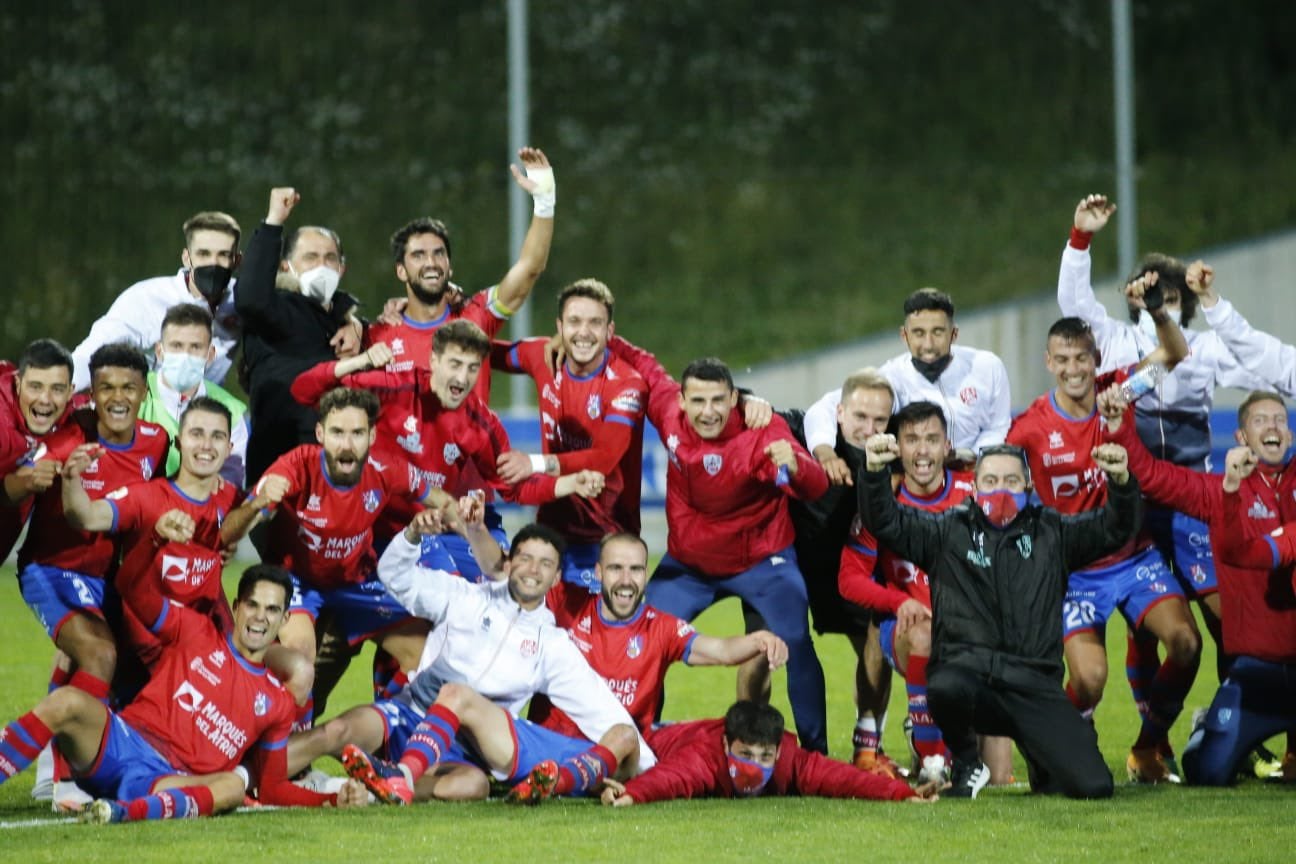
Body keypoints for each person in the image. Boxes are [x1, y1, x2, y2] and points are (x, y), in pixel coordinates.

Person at [1061, 196, 1284, 726]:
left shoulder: (1203, 349)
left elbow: (1258, 363)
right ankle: (1152, 741)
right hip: (1128, 498)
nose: (1163, 295)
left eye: (1171, 289)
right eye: (1151, 288)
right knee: (1145, 624)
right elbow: (1073, 301)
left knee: (1228, 619)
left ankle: (1242, 721)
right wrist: (1080, 238)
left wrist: (1219, 307)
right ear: (1134, 294)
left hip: (1191, 500)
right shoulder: (1112, 341)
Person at [859, 435, 1141, 799]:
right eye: (990, 481)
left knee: (1093, 786)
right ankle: (965, 762)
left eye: (1011, 481)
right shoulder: (946, 531)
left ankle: (1043, 759)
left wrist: (1121, 483)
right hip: (971, 681)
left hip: (1034, 687)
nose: (1000, 490)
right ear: (974, 487)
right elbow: (886, 522)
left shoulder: (1054, 532)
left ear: (1029, 485)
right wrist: (873, 472)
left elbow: (1114, 529)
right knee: (943, 684)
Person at [0, 562, 368, 823]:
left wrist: (331, 799)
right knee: (68, 702)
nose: (260, 617)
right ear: (236, 608)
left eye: (273, 610)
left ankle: (123, 813)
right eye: (253, 605)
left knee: (229, 788)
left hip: (170, 780)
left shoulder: (277, 702)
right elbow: (133, 587)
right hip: (121, 743)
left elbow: (271, 789)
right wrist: (156, 539)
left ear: (285, 620)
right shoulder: (194, 631)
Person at [608, 337, 831, 753]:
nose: (707, 411)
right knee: (636, 635)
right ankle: (637, 748)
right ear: (683, 399)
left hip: (763, 562)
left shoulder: (762, 431)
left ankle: (816, 755)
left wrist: (797, 466)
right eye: (698, 401)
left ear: (734, 399)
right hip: (689, 567)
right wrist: (606, 336)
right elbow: (646, 362)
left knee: (796, 640)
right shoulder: (667, 409)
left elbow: (814, 486)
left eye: (717, 400)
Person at [335, 516, 654, 805]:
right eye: (526, 559)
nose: (533, 570)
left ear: (557, 577)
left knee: (624, 736)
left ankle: (559, 782)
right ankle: (393, 776)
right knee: (454, 699)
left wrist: (654, 776)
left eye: (544, 564)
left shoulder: (551, 642)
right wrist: (413, 534)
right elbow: (396, 576)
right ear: (511, 564)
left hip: (492, 744)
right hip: (439, 721)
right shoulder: (469, 597)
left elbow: (597, 703)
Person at [1006, 314, 1200, 783]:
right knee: (1089, 682)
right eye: (1064, 360)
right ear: (1049, 362)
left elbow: (1174, 352)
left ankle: (1147, 747)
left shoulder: (1122, 391)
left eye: (1083, 358)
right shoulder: (1030, 428)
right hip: (1075, 572)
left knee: (1186, 644)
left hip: (1134, 557)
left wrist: (1156, 312)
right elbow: (999, 482)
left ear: (1096, 359)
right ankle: (1054, 743)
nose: (1075, 369)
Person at [291, 319, 596, 578]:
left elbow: (514, 489)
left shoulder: (480, 423)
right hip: (372, 534)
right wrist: (358, 362)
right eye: (455, 364)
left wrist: (569, 482)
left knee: (503, 582)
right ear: (434, 361)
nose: (462, 378)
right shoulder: (390, 388)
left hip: (434, 531)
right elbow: (303, 391)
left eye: (472, 368)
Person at [220, 386, 453, 723]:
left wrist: (467, 518)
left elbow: (439, 499)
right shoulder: (296, 465)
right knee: (300, 658)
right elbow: (233, 529)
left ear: (372, 434)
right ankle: (286, 749)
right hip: (297, 579)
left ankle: (395, 740)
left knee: (425, 659)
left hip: (357, 580)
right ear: (320, 434)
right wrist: (257, 503)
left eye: (357, 433)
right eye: (337, 432)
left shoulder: (386, 468)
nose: (347, 444)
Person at [1100, 388, 1296, 783]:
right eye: (1260, 420)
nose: (1272, 426)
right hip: (1254, 673)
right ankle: (1209, 727)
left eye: (1279, 419)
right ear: (1242, 437)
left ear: (1289, 433)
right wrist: (1120, 428)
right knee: (1207, 772)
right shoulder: (1216, 489)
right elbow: (1153, 477)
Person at [528, 532, 790, 739]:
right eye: (616, 568)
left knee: (706, 738)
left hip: (619, 748)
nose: (626, 579)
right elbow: (508, 575)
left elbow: (721, 650)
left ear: (646, 574)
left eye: (636, 570)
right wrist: (484, 530)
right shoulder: (567, 602)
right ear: (598, 573)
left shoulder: (661, 627)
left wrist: (761, 640)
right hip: (553, 740)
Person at [839, 401, 977, 784]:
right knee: (922, 633)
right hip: (910, 630)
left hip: (970, 631)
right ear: (897, 448)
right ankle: (931, 756)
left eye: (932, 440)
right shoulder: (882, 500)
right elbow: (849, 580)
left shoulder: (975, 491)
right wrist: (900, 601)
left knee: (996, 774)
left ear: (947, 446)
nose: (922, 451)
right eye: (912, 440)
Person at [774, 368, 899, 775]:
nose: (869, 428)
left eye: (879, 420)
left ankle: (868, 745)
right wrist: (751, 403)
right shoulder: (804, 432)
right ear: (839, 411)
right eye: (860, 417)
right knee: (760, 651)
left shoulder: (893, 450)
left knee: (877, 638)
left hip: (852, 566)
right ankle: (752, 744)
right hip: (793, 561)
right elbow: (753, 413)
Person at [367, 147, 555, 404]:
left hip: (474, 446)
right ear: (401, 270)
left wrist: (544, 202)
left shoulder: (476, 315)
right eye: (419, 255)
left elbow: (530, 268)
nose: (431, 263)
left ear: (450, 266)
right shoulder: (378, 335)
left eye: (439, 253)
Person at [492, 278, 648, 588]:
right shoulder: (541, 355)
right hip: (551, 536)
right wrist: (444, 310)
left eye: (595, 323)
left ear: (610, 331)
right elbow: (480, 350)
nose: (584, 332)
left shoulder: (626, 385)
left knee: (604, 636)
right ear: (559, 327)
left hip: (608, 540)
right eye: (575, 321)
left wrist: (533, 464)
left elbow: (602, 459)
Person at [802, 287, 1012, 474]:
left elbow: (998, 425)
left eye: (937, 332)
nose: (928, 344)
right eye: (918, 333)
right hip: (917, 485)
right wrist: (826, 453)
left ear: (954, 334)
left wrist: (973, 457)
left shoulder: (987, 367)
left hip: (978, 475)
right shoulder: (891, 377)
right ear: (904, 335)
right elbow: (826, 407)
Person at [236, 187, 364, 485]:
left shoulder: (346, 322)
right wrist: (273, 222)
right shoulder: (274, 310)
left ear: (342, 268)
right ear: (286, 266)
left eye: (330, 258)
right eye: (310, 257)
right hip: (279, 475)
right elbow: (251, 297)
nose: (322, 265)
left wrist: (356, 325)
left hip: (339, 477)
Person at [598, 701, 930, 805]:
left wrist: (904, 793)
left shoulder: (791, 760)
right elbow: (669, 778)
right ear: (727, 746)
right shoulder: (703, 757)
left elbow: (843, 778)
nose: (754, 767)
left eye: (764, 757)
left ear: (778, 751)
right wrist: (632, 795)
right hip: (658, 738)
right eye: (745, 754)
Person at [70, 211, 244, 392]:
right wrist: (59, 391)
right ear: (187, 258)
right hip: (152, 407)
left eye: (223, 255)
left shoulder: (242, 300)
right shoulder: (147, 298)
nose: (213, 263)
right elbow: (92, 352)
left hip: (209, 408)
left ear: (237, 260)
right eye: (203, 254)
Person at [136, 303, 250, 486]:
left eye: (196, 347)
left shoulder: (231, 410)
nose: (185, 355)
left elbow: (232, 477)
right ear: (159, 351)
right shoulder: (134, 392)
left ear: (210, 354)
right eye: (176, 346)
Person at [0, 339, 76, 561]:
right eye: (35, 386)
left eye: (57, 389)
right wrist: (28, 481)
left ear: (70, 392)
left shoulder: (76, 417)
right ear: (18, 383)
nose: (45, 399)